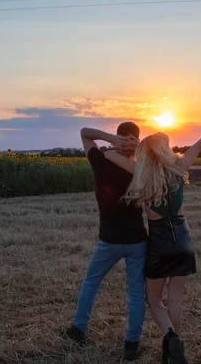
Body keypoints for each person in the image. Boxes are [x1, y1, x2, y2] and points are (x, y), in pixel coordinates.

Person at [104, 107, 201, 364]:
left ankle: (171, 339)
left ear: (146, 154)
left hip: (159, 241)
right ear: (166, 151)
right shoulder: (179, 167)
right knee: (175, 297)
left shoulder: (141, 173)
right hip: (184, 237)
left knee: (154, 300)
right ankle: (174, 349)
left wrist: (122, 145)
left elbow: (110, 156)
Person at [65, 122, 148, 361]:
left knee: (91, 282)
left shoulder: (100, 161)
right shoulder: (139, 168)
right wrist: (138, 147)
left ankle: (78, 330)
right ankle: (132, 344)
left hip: (109, 240)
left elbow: (84, 133)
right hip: (137, 240)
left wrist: (109, 137)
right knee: (135, 292)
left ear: (117, 138)